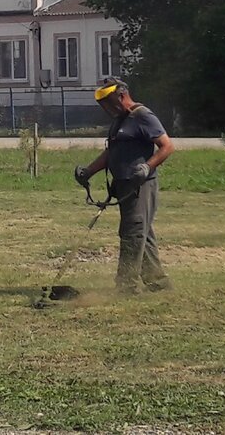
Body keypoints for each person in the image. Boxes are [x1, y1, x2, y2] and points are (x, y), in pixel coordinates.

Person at [75, 76, 175, 293]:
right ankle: (157, 282)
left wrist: (147, 167)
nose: (105, 109)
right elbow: (112, 152)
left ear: (121, 96)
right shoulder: (120, 120)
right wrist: (89, 171)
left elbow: (167, 146)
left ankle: (126, 286)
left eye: (108, 103)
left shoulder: (142, 116)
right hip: (123, 185)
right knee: (142, 232)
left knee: (133, 232)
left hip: (141, 185)